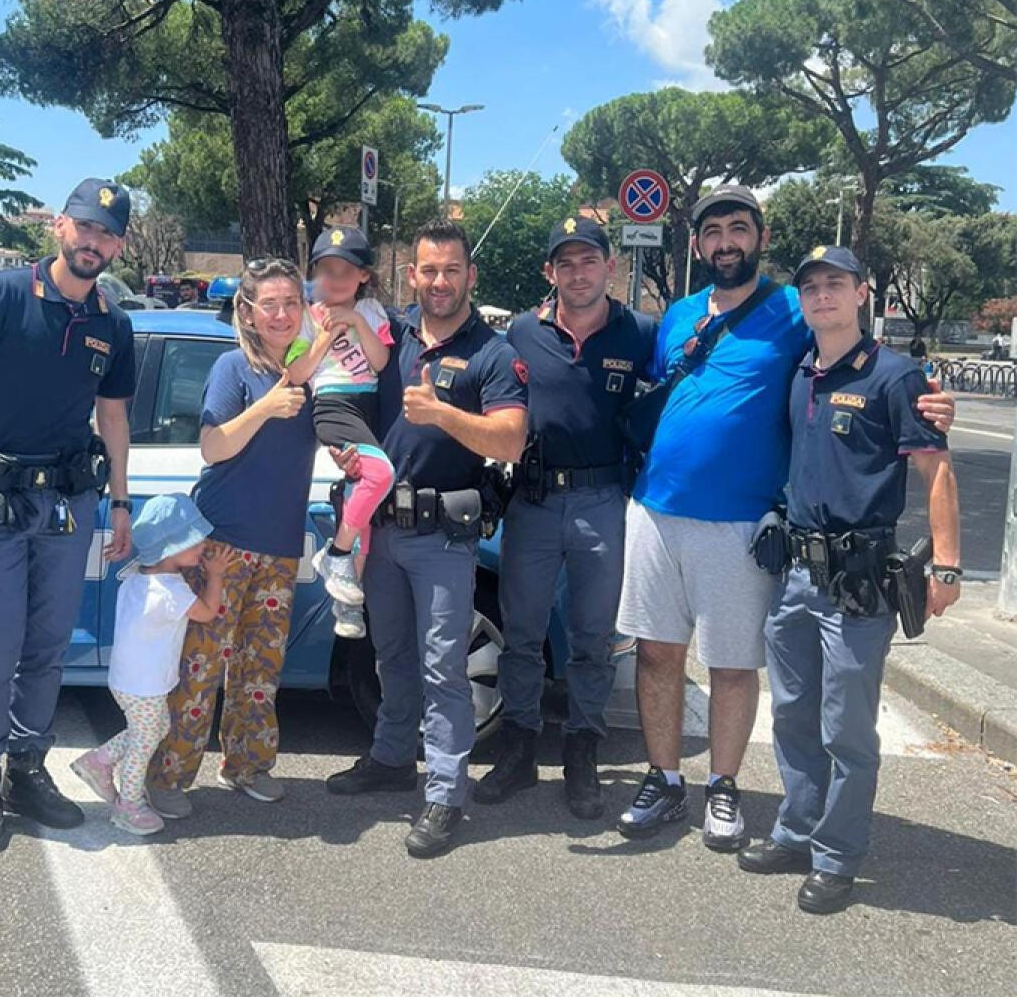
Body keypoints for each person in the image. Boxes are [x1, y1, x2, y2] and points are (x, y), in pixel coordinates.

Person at [614, 185, 955, 853]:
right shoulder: (679, 315)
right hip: (655, 510)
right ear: (697, 245)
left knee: (731, 662)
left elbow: (853, 358)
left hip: (741, 521)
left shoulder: (793, 309)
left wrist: (928, 397)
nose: (726, 242)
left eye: (738, 228)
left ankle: (723, 785)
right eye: (714, 232)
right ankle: (663, 778)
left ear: (760, 238)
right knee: (656, 653)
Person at [737, 246, 961, 914]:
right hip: (795, 577)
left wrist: (947, 564)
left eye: (835, 283)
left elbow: (937, 471)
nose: (822, 295)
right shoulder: (800, 371)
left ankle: (835, 856)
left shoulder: (895, 376)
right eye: (810, 287)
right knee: (792, 715)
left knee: (847, 730)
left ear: (862, 293)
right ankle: (797, 829)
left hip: (857, 584)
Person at [0, 177, 136, 853]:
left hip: (67, 500)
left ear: (118, 246)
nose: (93, 241)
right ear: (60, 227)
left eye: (107, 234)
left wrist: (120, 501)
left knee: (47, 645)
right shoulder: (2, 295)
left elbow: (113, 417)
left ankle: (26, 769)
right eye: (85, 226)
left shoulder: (112, 322)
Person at [325, 219, 528, 858]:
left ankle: (444, 792)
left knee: (443, 669)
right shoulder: (388, 334)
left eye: (451, 270)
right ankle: (391, 758)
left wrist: (442, 413)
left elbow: (510, 439)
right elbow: (350, 397)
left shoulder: (491, 353)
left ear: (471, 276)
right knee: (390, 656)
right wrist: (345, 450)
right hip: (382, 529)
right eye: (429, 270)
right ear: (411, 274)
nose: (439, 282)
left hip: (442, 535)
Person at [474, 217, 656, 820]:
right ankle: (520, 750)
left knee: (592, 640)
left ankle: (583, 753)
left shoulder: (640, 334)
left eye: (589, 261)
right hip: (532, 501)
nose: (579, 274)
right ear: (549, 272)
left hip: (603, 500)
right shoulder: (522, 331)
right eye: (566, 264)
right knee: (522, 635)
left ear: (611, 267)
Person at [145, 258, 315, 815]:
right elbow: (213, 447)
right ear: (248, 311)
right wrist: (266, 407)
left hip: (280, 545)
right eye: (270, 304)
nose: (282, 314)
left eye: (292, 303)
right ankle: (168, 777)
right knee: (199, 668)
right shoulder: (233, 368)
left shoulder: (309, 373)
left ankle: (247, 765)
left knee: (259, 670)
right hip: (222, 544)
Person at [70, 494, 237, 834]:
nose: (203, 546)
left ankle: (98, 761)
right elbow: (207, 612)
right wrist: (216, 575)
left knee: (154, 729)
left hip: (130, 679)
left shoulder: (137, 576)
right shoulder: (170, 591)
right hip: (144, 685)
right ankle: (128, 805)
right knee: (145, 742)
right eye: (193, 541)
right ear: (169, 548)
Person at [287, 226, 394, 640]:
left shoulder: (372, 311)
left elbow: (380, 362)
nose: (334, 279)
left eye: (345, 271)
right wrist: (326, 335)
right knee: (381, 474)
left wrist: (354, 321)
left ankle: (348, 603)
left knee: (361, 499)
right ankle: (336, 553)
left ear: (363, 275)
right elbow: (297, 373)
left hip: (367, 405)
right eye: (325, 270)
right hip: (332, 403)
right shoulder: (306, 316)